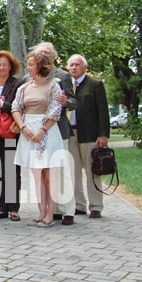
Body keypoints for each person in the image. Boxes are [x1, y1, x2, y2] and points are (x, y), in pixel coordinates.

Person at [12, 52, 65, 228]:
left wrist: (42, 130)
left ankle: (51, 213)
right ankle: (41, 212)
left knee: (50, 175)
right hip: (28, 129)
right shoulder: (24, 88)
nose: (28, 67)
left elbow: (56, 110)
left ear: (40, 66)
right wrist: (23, 127)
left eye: (31, 64)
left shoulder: (54, 87)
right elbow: (16, 108)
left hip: (47, 131)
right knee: (37, 175)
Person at [31, 42, 77, 225]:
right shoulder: (30, 77)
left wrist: (66, 102)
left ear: (53, 56)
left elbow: (74, 102)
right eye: (41, 53)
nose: (44, 55)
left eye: (47, 53)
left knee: (62, 171)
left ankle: (68, 210)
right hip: (39, 133)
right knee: (43, 173)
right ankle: (52, 209)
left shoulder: (63, 76)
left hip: (58, 129)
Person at [66, 54, 109, 219]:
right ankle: (79, 205)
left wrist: (103, 134)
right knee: (74, 171)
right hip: (70, 133)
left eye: (77, 64)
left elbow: (103, 111)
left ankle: (96, 206)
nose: (74, 67)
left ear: (85, 67)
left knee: (93, 171)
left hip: (90, 134)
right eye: (71, 65)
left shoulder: (95, 85)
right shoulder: (66, 85)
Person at [0, 51, 25, 222]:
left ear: (11, 67)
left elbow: (21, 106)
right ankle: (1, 206)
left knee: (12, 170)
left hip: (10, 131)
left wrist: (4, 105)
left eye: (5, 65)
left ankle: (13, 208)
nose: (2, 68)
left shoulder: (18, 84)